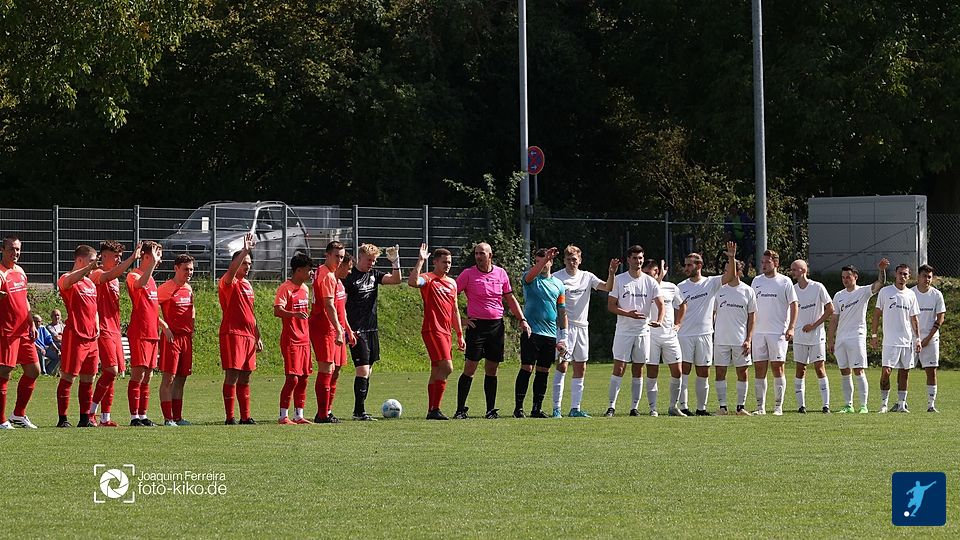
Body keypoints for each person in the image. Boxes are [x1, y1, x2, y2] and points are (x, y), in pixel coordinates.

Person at [452, 242, 530, 419]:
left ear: (490, 255)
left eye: (482, 253)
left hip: (496, 327)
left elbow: (510, 298)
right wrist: (460, 320)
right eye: (476, 253)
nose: (479, 256)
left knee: (492, 369)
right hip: (476, 327)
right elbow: (451, 296)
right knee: (470, 367)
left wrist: (522, 319)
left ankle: (490, 410)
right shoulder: (468, 274)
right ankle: (460, 410)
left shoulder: (501, 273)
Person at [550, 245, 617, 418]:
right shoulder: (556, 277)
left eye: (575, 259)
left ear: (580, 260)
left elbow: (607, 287)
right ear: (564, 260)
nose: (572, 262)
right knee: (562, 366)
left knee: (581, 367)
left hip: (582, 327)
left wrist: (611, 273)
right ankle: (556, 409)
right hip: (564, 328)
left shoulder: (587, 277)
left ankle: (575, 408)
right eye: (568, 259)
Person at [342, 243, 402, 421]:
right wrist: (346, 328)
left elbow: (396, 280)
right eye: (369, 260)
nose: (372, 263)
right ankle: (358, 412)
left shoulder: (374, 275)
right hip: (356, 330)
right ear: (359, 258)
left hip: (371, 329)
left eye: (374, 260)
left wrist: (395, 262)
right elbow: (342, 305)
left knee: (368, 371)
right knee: (362, 370)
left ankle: (360, 410)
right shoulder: (349, 277)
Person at [605, 245, 664, 417]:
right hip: (623, 331)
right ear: (628, 260)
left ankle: (634, 408)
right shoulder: (619, 280)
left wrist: (659, 320)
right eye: (635, 258)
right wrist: (628, 314)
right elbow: (611, 306)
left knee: (638, 370)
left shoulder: (650, 282)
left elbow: (661, 304)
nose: (638, 261)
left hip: (643, 332)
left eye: (640, 258)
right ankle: (611, 407)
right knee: (619, 368)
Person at [409, 244, 465, 420]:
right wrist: (420, 261)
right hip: (433, 329)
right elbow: (412, 282)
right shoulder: (428, 279)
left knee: (436, 370)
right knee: (447, 367)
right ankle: (435, 409)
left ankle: (432, 410)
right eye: (444, 262)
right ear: (435, 262)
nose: (447, 265)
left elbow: (455, 310)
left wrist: (460, 334)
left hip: (446, 332)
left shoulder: (452, 283)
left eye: (449, 262)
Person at [89, 240, 141, 427]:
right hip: (103, 329)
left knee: (115, 373)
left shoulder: (115, 280)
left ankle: (105, 418)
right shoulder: (97, 273)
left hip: (115, 330)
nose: (119, 259)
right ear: (104, 256)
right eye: (116, 256)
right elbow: (111, 274)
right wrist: (132, 258)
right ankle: (90, 413)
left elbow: (115, 275)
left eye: (120, 256)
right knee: (110, 370)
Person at [826, 259, 888, 413]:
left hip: (856, 336)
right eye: (843, 277)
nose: (845, 280)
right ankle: (848, 405)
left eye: (848, 277)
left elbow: (880, 283)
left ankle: (863, 406)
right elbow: (834, 319)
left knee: (858, 370)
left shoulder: (863, 291)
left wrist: (881, 270)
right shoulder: (839, 295)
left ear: (855, 277)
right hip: (841, 338)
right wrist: (830, 340)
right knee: (844, 371)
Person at [676, 251, 734, 416]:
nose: (686, 268)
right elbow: (676, 311)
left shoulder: (711, 282)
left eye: (689, 265)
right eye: (685, 265)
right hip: (685, 335)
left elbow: (730, 276)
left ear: (699, 265)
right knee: (684, 371)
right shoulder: (680, 287)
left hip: (705, 334)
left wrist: (731, 258)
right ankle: (684, 407)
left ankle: (701, 409)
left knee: (703, 372)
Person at [513, 247, 568, 418]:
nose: (540, 264)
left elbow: (561, 311)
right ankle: (518, 408)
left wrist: (564, 337)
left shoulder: (559, 285)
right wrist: (544, 260)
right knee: (527, 368)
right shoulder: (530, 279)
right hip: (531, 331)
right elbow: (530, 275)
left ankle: (536, 409)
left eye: (543, 261)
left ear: (551, 262)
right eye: (536, 261)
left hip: (550, 334)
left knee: (543, 371)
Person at [219, 233, 264, 425]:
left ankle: (245, 416)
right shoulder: (229, 281)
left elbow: (250, 313)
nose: (248, 266)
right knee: (232, 374)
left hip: (249, 336)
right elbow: (231, 271)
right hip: (233, 333)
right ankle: (230, 417)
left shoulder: (247, 284)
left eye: (249, 263)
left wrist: (257, 335)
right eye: (244, 263)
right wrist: (245, 250)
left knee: (245, 376)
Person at [310, 242, 356, 424]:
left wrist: (347, 329)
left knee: (335, 369)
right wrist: (338, 329)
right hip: (324, 327)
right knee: (327, 369)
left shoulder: (332, 277)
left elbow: (340, 308)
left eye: (342, 257)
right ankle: (322, 414)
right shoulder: (327, 275)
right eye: (336, 256)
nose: (339, 260)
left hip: (334, 328)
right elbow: (328, 305)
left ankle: (327, 411)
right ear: (327, 255)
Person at [55, 245, 101, 428]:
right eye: (91, 261)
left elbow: (94, 308)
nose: (94, 265)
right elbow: (68, 282)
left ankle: (84, 418)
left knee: (89, 378)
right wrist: (88, 268)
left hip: (91, 337)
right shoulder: (67, 278)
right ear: (80, 260)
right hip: (75, 335)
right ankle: (63, 419)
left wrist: (97, 325)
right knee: (68, 377)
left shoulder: (90, 283)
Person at [0, 235, 42, 429]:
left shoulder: (20, 271)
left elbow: (24, 300)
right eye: (11, 249)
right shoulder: (1, 273)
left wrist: (31, 322)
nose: (15, 253)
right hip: (7, 331)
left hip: (24, 330)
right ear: (2, 250)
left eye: (17, 249)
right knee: (4, 372)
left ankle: (18, 414)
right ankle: (1, 420)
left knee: (34, 370)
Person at [750, 249, 798, 416]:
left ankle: (778, 407)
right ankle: (760, 407)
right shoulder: (756, 281)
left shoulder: (785, 282)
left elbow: (794, 304)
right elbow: (751, 307)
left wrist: (791, 327)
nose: (764, 265)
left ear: (776, 263)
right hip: (758, 332)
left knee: (777, 367)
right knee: (759, 368)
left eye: (767, 262)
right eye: (762, 262)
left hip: (778, 332)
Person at [871, 263, 921, 413]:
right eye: (900, 273)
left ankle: (901, 404)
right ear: (895, 274)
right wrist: (874, 335)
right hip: (890, 341)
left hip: (906, 340)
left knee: (904, 373)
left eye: (905, 274)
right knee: (886, 372)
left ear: (909, 276)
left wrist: (918, 339)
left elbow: (914, 319)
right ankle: (884, 404)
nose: (902, 276)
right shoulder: (885, 292)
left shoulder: (911, 295)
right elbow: (876, 315)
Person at [713, 243, 756, 416]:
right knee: (720, 372)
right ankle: (722, 407)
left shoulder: (748, 291)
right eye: (724, 270)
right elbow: (712, 313)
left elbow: (752, 317)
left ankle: (740, 407)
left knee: (742, 373)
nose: (726, 273)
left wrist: (749, 339)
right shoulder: (718, 290)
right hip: (721, 339)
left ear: (738, 271)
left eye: (728, 269)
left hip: (740, 340)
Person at [125, 241, 163, 427]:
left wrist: (162, 325)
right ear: (147, 256)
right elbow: (139, 285)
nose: (160, 260)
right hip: (140, 332)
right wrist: (152, 264)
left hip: (152, 333)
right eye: (157, 255)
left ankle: (143, 415)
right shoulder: (134, 275)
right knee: (138, 374)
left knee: (148, 376)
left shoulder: (152, 279)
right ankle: (134, 417)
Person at [789, 259, 834, 414]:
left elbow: (830, 309)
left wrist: (814, 325)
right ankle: (801, 406)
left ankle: (826, 405)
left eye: (794, 269)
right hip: (799, 336)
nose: (792, 272)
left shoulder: (817, 287)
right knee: (800, 369)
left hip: (816, 336)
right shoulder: (792, 289)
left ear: (803, 270)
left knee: (819, 369)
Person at [641, 259, 685, 417]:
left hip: (669, 335)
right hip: (651, 336)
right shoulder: (642, 287)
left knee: (677, 371)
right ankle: (653, 408)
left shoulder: (671, 287)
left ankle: (673, 406)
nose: (647, 275)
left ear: (657, 272)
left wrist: (678, 324)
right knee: (652, 372)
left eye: (650, 272)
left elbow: (682, 304)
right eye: (645, 272)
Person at [274, 253, 314, 425]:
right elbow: (277, 310)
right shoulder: (285, 288)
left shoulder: (305, 288)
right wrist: (293, 314)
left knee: (304, 378)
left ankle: (299, 415)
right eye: (308, 270)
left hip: (304, 340)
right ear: (298, 270)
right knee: (293, 378)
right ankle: (283, 416)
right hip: (291, 339)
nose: (310, 273)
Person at [157, 254, 196, 426]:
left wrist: (192, 326)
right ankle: (168, 418)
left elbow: (192, 309)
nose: (189, 272)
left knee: (181, 378)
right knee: (169, 378)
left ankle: (178, 417)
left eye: (191, 269)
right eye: (186, 269)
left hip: (186, 338)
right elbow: (150, 308)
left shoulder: (188, 288)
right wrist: (164, 326)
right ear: (176, 268)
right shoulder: (165, 288)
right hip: (172, 338)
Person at [912, 264, 946, 412]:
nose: (927, 279)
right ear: (918, 277)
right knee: (904, 370)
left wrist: (927, 338)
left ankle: (931, 404)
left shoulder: (937, 295)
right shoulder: (910, 293)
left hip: (931, 339)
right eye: (924, 276)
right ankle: (901, 403)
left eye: (929, 277)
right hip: (911, 338)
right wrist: (916, 338)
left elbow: (940, 318)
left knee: (931, 370)